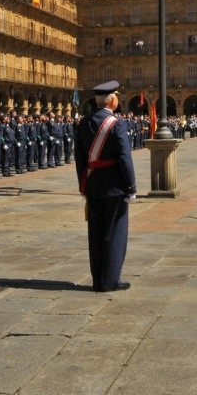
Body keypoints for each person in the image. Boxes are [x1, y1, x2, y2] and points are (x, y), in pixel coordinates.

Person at [75, 81, 137, 292]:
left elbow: (79, 158)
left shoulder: (85, 122)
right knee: (115, 232)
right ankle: (110, 280)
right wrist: (131, 186)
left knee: (96, 234)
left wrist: (83, 185)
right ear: (112, 100)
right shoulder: (116, 123)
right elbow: (123, 157)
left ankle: (97, 280)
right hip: (115, 187)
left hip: (92, 185)